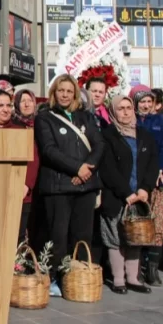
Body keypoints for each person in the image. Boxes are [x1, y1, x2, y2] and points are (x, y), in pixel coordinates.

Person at [35, 74, 104, 297]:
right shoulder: (45, 118)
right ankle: (56, 276)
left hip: (85, 186)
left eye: (68, 91)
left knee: (82, 234)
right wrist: (76, 169)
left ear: (75, 94)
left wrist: (87, 168)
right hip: (58, 186)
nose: (64, 95)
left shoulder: (85, 117)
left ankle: (78, 276)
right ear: (54, 93)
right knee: (58, 235)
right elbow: (49, 150)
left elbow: (99, 144)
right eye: (60, 90)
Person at [98, 95, 159, 294]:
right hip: (117, 196)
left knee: (135, 237)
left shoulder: (145, 136)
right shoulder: (107, 135)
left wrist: (145, 188)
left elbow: (152, 164)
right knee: (115, 238)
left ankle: (133, 278)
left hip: (139, 196)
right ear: (113, 112)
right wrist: (125, 193)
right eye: (120, 108)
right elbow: (107, 169)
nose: (125, 112)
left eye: (128, 108)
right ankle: (118, 279)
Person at [130, 84, 163, 286]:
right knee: (137, 225)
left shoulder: (159, 122)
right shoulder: (131, 122)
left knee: (158, 224)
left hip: (158, 182)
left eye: (149, 101)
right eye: (142, 102)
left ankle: (153, 269)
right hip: (138, 180)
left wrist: (161, 170)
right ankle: (136, 268)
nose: (146, 105)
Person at [12, 89, 41, 243]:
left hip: (39, 185)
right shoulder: (13, 125)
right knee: (19, 231)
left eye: (29, 100)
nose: (27, 103)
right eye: (22, 101)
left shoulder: (41, 124)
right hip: (23, 187)